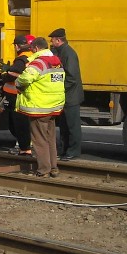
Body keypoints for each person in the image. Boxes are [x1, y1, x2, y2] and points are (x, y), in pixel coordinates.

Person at [15, 37, 66, 177]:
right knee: (50, 139)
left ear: (36, 48)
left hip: (39, 106)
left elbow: (25, 78)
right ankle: (54, 168)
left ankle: (43, 169)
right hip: (54, 106)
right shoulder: (57, 62)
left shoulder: (38, 63)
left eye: (32, 49)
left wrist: (17, 82)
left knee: (39, 140)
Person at [49, 28, 84, 160]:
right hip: (66, 95)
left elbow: (71, 77)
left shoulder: (68, 53)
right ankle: (65, 149)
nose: (51, 42)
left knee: (72, 125)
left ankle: (73, 151)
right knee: (64, 125)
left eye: (52, 40)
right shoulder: (62, 52)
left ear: (58, 40)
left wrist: (60, 89)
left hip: (71, 96)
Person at [2, 35, 34, 156]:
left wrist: (5, 73)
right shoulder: (32, 56)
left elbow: (12, 75)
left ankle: (24, 148)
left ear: (17, 46)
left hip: (15, 95)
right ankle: (26, 146)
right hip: (26, 95)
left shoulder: (21, 59)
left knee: (18, 124)